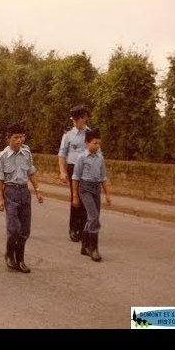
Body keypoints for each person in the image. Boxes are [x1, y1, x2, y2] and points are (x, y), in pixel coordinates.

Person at [0, 123, 44, 273]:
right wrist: (0, 199)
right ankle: (10, 254)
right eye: (16, 137)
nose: (19, 140)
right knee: (14, 228)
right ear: (8, 138)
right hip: (10, 192)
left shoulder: (27, 153)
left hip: (24, 192)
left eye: (21, 137)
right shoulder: (2, 157)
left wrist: (38, 190)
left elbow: (31, 172)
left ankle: (20, 259)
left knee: (25, 230)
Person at [71, 128, 111, 261]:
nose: (97, 146)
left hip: (96, 189)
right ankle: (94, 249)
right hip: (85, 189)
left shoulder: (100, 157)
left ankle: (84, 246)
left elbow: (103, 177)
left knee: (93, 218)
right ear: (87, 143)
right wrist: (76, 196)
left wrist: (107, 195)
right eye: (95, 143)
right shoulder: (81, 157)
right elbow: (75, 177)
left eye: (99, 143)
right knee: (94, 217)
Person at [58, 104, 91, 242]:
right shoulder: (68, 135)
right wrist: (62, 171)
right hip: (73, 169)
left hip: (87, 169)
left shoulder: (91, 133)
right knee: (75, 198)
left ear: (84, 118)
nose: (74, 122)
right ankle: (73, 228)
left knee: (86, 200)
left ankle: (83, 228)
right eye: (73, 120)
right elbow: (62, 154)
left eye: (77, 119)